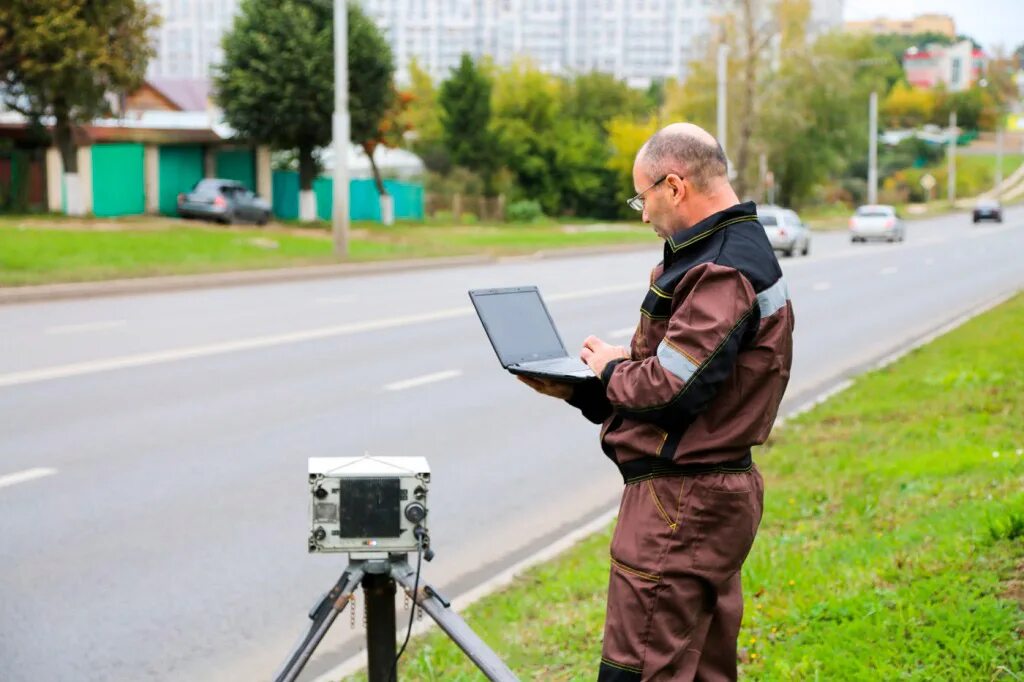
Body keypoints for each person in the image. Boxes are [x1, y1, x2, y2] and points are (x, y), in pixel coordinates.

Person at [519, 122, 794, 681]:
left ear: (675, 185)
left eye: (642, 196)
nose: (642, 213)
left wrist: (611, 369)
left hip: (680, 503)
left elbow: (672, 390)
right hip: (708, 495)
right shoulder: (730, 248)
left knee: (638, 670)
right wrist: (590, 387)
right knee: (701, 670)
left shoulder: (718, 267)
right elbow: (703, 377)